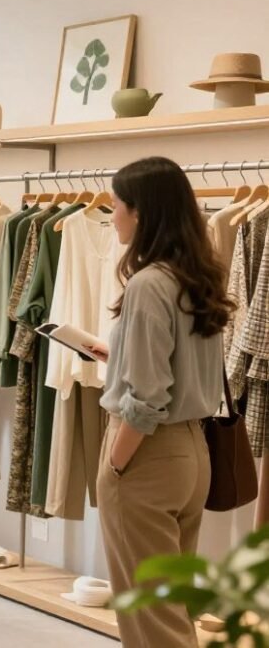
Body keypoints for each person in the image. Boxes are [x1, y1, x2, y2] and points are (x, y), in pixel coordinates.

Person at [90, 157, 230, 648]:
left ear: (141, 213)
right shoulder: (196, 277)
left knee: (152, 620)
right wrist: (120, 352)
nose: (112, 215)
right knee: (171, 607)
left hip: (148, 454)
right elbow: (188, 369)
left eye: (117, 205)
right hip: (193, 454)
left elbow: (147, 397)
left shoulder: (150, 283)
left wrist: (115, 463)